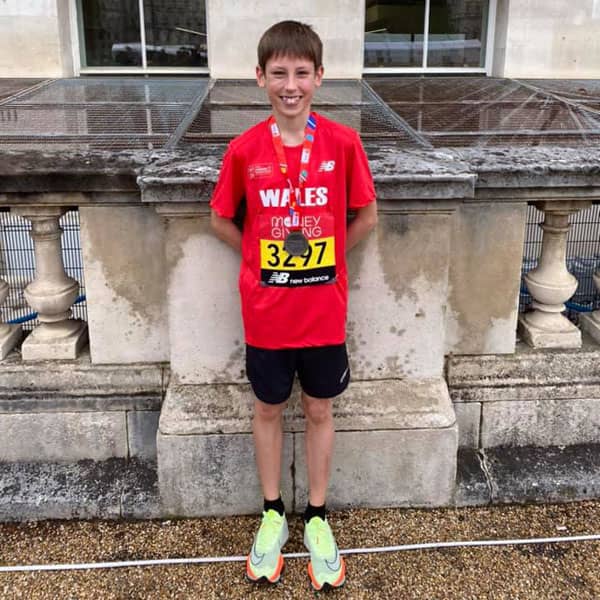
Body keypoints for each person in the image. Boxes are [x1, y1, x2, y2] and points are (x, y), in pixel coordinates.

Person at [210, 20, 377, 591]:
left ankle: (319, 518)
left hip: (322, 313)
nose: (290, 84)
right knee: (266, 410)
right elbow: (219, 217)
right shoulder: (243, 150)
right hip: (267, 314)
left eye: (301, 73)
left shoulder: (343, 144)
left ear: (319, 77)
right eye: (278, 73)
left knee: (322, 411)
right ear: (260, 79)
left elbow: (367, 217)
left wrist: (330, 262)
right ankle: (273, 513)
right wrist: (256, 257)